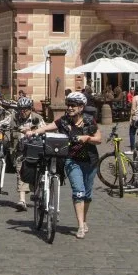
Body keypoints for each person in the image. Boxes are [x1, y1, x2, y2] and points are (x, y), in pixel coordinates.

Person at [33, 91, 100, 238]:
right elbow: (49, 126)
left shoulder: (89, 121)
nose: (70, 108)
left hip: (90, 161)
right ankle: (81, 226)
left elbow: (99, 138)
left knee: (87, 195)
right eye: (68, 105)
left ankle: (84, 219)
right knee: (78, 191)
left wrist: (86, 137)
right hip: (72, 160)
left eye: (73, 105)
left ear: (81, 107)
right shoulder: (63, 121)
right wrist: (34, 132)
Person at [0, 95, 46, 211]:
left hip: (34, 150)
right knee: (20, 172)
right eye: (20, 109)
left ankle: (37, 192)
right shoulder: (13, 117)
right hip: (19, 151)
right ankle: (22, 200)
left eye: (25, 109)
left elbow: (45, 130)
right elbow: (2, 123)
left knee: (36, 174)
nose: (23, 111)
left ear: (30, 109)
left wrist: (33, 132)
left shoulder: (37, 118)